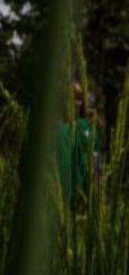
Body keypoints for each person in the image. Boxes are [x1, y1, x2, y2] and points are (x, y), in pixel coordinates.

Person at [57, 80, 99, 210]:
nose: (76, 102)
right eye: (72, 96)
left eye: (79, 97)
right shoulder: (56, 129)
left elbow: (95, 161)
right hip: (58, 198)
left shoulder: (87, 127)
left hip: (81, 199)